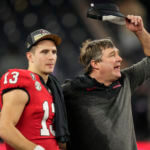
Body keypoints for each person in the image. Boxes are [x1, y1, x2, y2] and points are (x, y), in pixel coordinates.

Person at [62, 15, 150, 150]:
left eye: (118, 54)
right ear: (95, 64)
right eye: (112, 55)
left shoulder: (126, 80)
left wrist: (140, 31)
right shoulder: (72, 89)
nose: (119, 59)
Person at [0, 29, 70, 150]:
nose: (51, 57)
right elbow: (4, 128)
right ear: (30, 56)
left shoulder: (53, 87)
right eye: (44, 52)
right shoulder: (21, 79)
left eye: (54, 52)